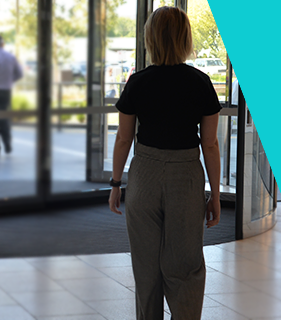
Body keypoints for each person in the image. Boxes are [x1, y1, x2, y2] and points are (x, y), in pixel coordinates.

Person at [108, 6, 221, 320]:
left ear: (151, 39)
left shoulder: (138, 82)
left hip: (144, 172)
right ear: (185, 39)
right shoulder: (201, 83)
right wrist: (213, 193)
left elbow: (123, 138)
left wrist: (116, 184)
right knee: (185, 264)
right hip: (186, 174)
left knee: (146, 264)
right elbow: (210, 144)